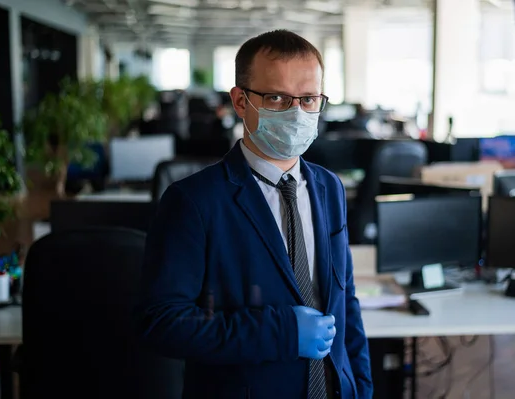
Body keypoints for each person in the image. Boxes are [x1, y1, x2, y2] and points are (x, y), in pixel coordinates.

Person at [136, 30, 372, 399]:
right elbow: (162, 322)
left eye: (309, 99)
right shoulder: (194, 201)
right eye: (276, 97)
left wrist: (360, 387)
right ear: (241, 102)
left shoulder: (330, 188)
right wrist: (280, 333)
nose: (296, 113)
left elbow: (346, 305)